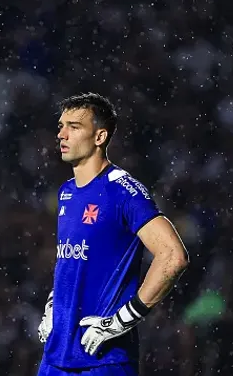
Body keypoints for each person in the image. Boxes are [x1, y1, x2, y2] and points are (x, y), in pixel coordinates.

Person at [37, 93, 190, 376]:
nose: (61, 134)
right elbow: (73, 261)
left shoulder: (123, 192)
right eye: (61, 126)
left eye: (74, 126)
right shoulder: (66, 192)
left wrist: (122, 320)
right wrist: (53, 302)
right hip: (55, 358)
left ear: (99, 137)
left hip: (102, 361)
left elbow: (173, 256)